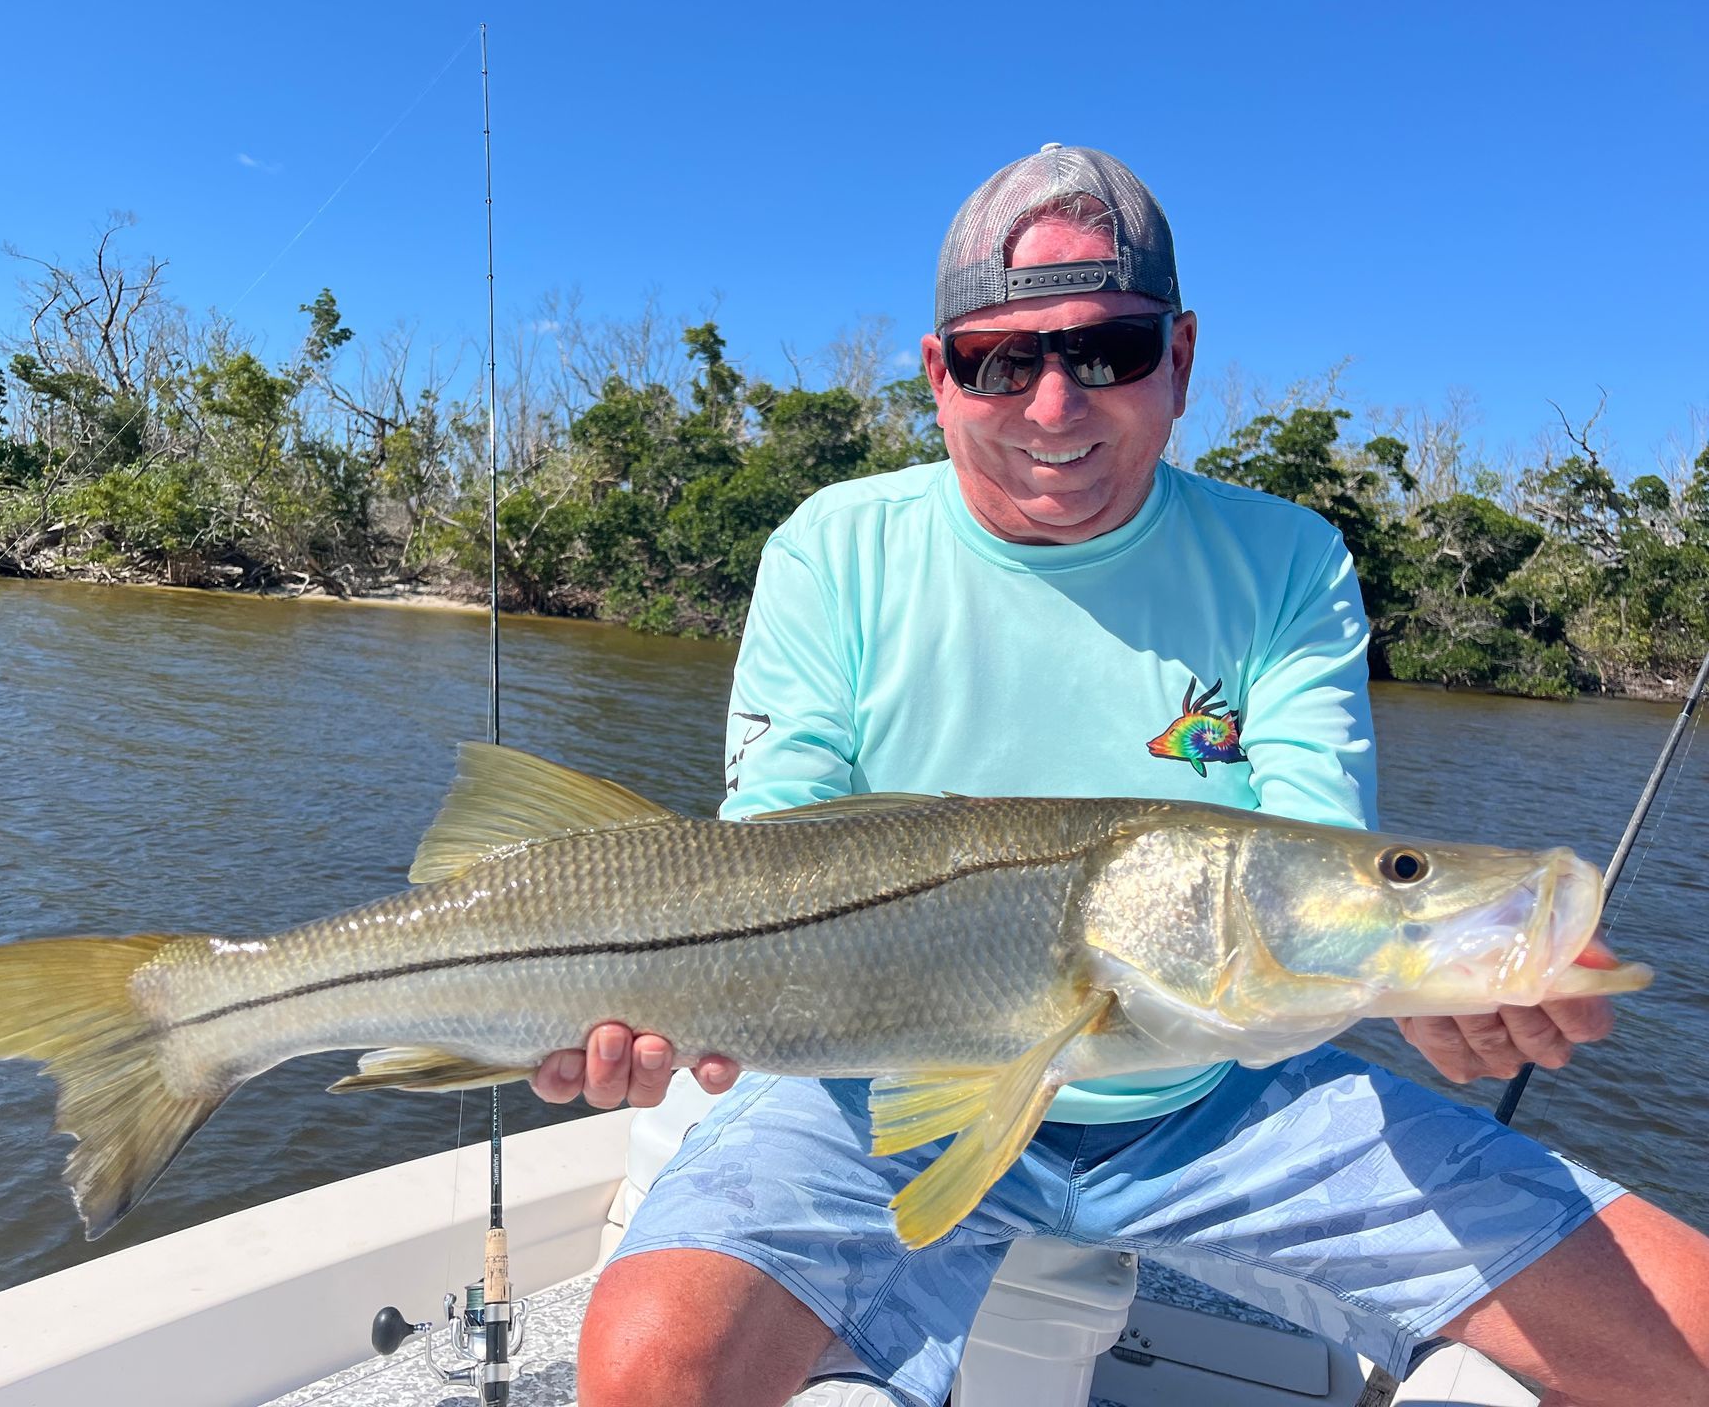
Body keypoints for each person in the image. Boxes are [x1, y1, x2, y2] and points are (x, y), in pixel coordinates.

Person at [534, 146, 1709, 1407]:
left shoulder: (1289, 560)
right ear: (940, 377)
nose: (1056, 406)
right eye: (1003, 359)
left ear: (1183, 359)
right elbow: (771, 855)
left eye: (1109, 351)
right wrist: (653, 997)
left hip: (1229, 1093)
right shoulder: (836, 547)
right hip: (875, 1087)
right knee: (655, 1367)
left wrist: (1425, 988)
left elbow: (1316, 858)